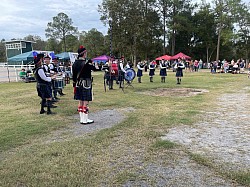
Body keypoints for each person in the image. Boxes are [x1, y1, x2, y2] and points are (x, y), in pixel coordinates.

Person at [72, 45, 99, 125]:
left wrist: (74, 85)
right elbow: (96, 69)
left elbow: (73, 76)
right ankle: (85, 119)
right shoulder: (86, 63)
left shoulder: (75, 63)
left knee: (80, 101)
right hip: (86, 84)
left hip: (78, 84)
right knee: (85, 101)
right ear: (84, 54)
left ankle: (82, 119)